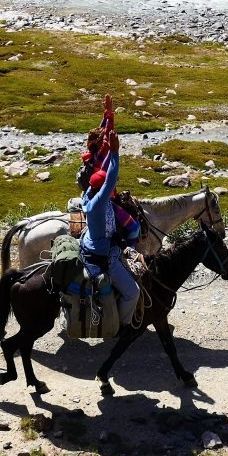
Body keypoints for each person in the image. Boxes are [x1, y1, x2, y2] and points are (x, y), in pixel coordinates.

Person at [80, 129, 141, 329]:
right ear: (101, 189)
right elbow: (111, 177)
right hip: (104, 254)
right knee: (133, 293)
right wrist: (115, 153)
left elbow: (104, 173)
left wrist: (108, 120)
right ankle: (121, 326)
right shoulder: (99, 202)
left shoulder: (89, 194)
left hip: (90, 241)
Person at [76, 94, 115, 192]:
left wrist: (106, 114)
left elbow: (101, 131)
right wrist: (110, 114)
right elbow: (106, 136)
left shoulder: (91, 153)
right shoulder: (100, 157)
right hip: (101, 191)